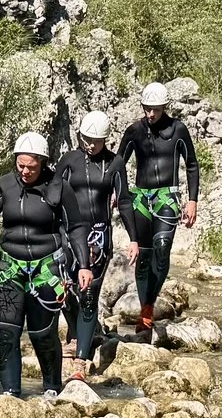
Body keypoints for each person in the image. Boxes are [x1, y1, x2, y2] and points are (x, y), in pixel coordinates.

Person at [0, 130, 73, 399]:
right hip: (7, 267)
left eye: (31, 167)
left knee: (43, 333)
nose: (25, 171)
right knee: (5, 333)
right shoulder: (4, 185)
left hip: (46, 269)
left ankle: (52, 389)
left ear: (43, 163)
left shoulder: (58, 187)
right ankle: (10, 394)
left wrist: (79, 266)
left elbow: (77, 228)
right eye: (20, 165)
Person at [117, 81, 199, 344]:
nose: (151, 114)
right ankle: (145, 312)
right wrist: (115, 192)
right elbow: (118, 163)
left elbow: (192, 165)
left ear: (165, 107)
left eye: (156, 109)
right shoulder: (134, 131)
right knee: (143, 257)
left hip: (168, 195)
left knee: (162, 247)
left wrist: (192, 201)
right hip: (140, 196)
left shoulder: (178, 130)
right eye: (147, 109)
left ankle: (149, 303)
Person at [56, 109, 125, 383]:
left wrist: (133, 239)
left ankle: (80, 361)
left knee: (88, 295)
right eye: (86, 139)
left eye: (95, 141)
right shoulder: (69, 160)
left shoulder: (115, 163)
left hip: (99, 237)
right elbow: (53, 194)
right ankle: (75, 331)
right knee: (63, 289)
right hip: (68, 234)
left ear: (105, 139)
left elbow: (125, 200)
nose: (90, 145)